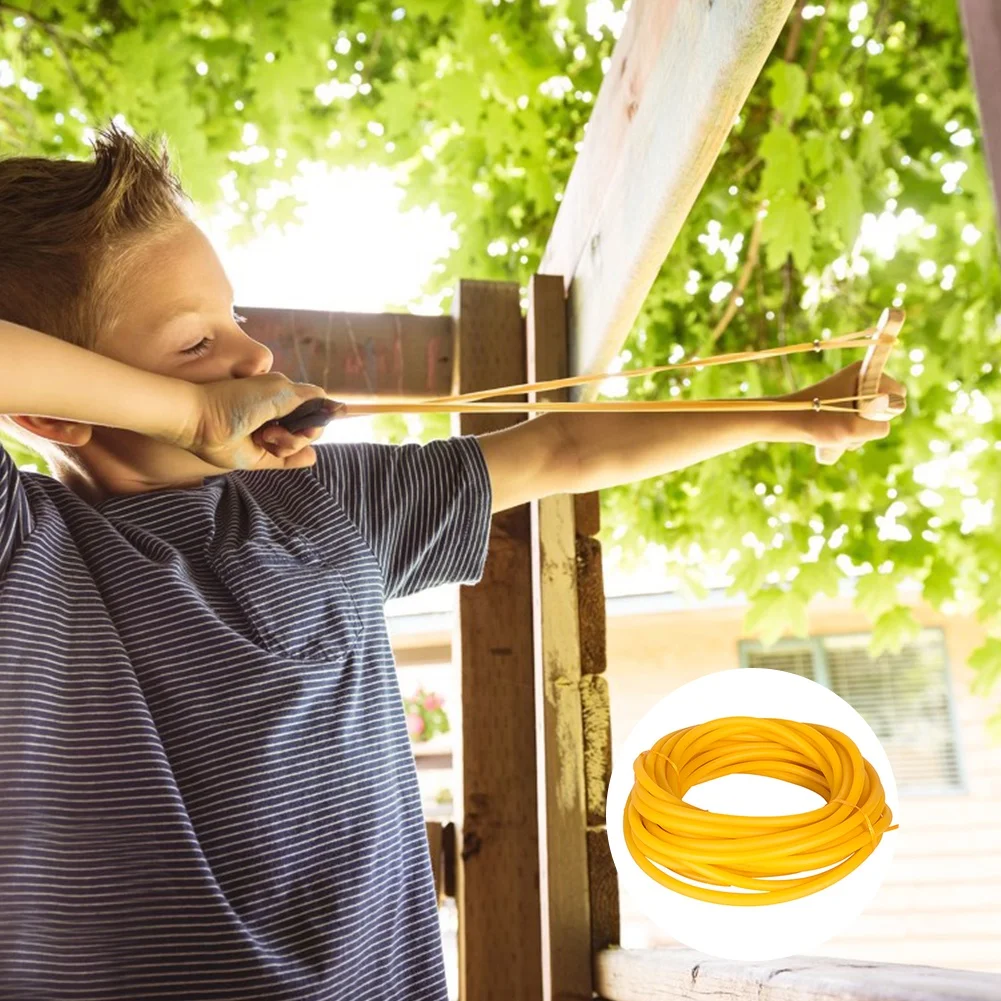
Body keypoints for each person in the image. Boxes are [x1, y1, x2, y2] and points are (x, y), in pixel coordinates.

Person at [0, 127, 905, 1000]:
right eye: (194, 344)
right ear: (51, 411)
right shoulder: (24, 550)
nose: (254, 355)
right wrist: (188, 414)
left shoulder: (320, 503)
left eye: (233, 318)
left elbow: (560, 452)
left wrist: (794, 412)